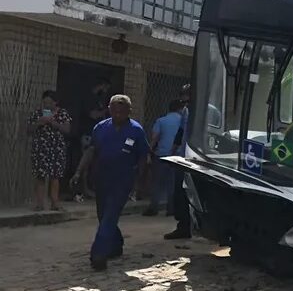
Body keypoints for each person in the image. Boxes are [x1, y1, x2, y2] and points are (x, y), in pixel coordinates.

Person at [70, 94, 149, 271]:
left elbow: (143, 157)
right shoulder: (100, 128)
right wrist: (78, 172)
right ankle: (116, 244)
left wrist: (138, 183)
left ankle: (98, 255)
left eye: (122, 110)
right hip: (102, 178)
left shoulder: (136, 130)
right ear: (109, 109)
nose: (118, 113)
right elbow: (91, 151)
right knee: (103, 216)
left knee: (110, 215)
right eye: (114, 109)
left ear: (129, 111)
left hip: (123, 179)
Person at [29, 90, 72, 211]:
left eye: (49, 102)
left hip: (56, 148)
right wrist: (39, 122)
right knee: (40, 176)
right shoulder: (38, 113)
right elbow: (29, 130)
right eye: (45, 102)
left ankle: (55, 202)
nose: (47, 105)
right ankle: (39, 203)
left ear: (55, 102)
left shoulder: (62, 113)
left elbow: (67, 130)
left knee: (55, 176)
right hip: (41, 148)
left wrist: (53, 123)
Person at [143, 99, 184, 216]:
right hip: (177, 157)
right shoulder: (182, 121)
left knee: (157, 182)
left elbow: (154, 138)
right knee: (172, 183)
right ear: (180, 109)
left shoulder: (161, 120)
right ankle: (171, 209)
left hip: (161, 155)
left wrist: (149, 153)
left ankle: (153, 207)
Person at [165, 84, 192, 240]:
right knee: (180, 193)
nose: (184, 100)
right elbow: (180, 132)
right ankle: (183, 227)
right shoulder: (186, 111)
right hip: (184, 158)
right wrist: (172, 151)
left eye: (186, 96)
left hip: (198, 158)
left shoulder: (209, 110)